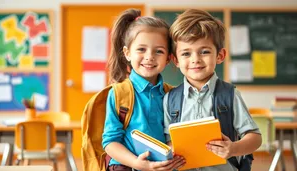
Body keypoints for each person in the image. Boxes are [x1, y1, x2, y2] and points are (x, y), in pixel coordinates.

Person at [163, 9, 262, 171]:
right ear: (176, 60)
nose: (195, 59)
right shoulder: (170, 99)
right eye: (186, 53)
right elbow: (168, 141)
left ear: (220, 56)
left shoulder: (230, 95)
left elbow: (255, 138)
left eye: (204, 51)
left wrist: (234, 148)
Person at [102, 8, 186, 171]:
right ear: (127, 53)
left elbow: (176, 137)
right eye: (141, 49)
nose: (149, 56)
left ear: (169, 57)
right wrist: (136, 163)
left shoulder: (173, 95)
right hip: (125, 166)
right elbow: (110, 142)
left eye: (159, 51)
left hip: (163, 167)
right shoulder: (119, 93)